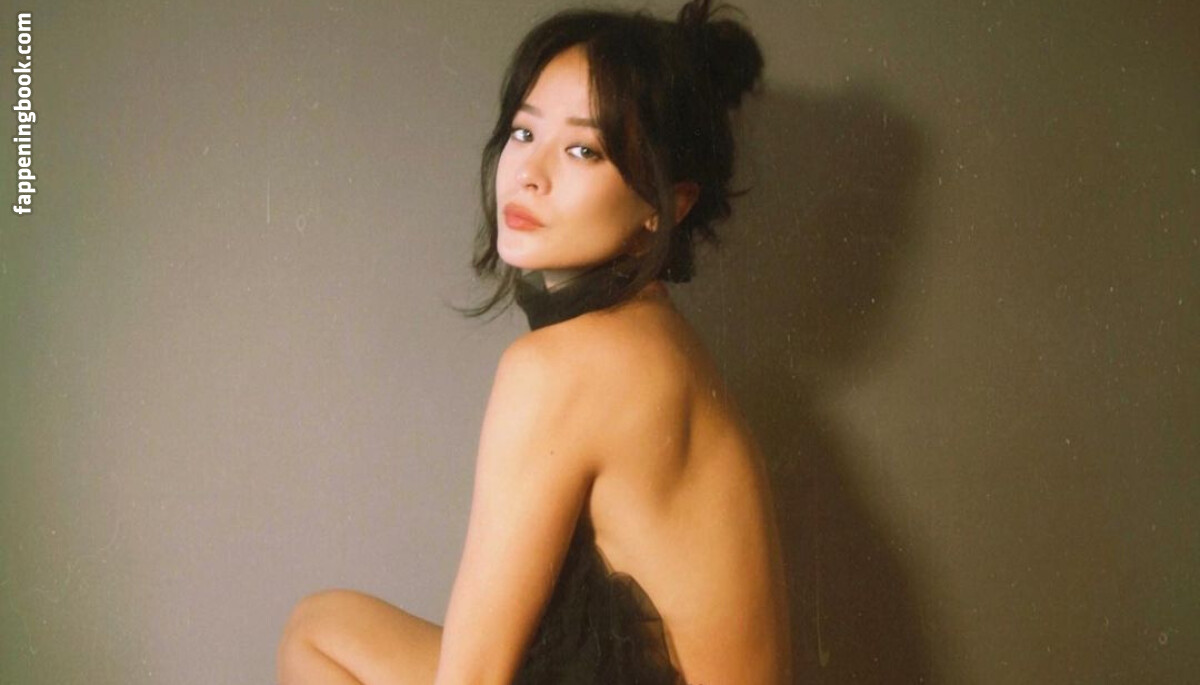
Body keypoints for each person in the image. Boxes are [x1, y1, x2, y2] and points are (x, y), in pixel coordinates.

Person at [276, 1, 791, 683]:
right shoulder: (657, 330)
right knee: (324, 627)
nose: (529, 172)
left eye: (583, 150)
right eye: (523, 132)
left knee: (317, 635)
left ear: (666, 205)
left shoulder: (561, 366)